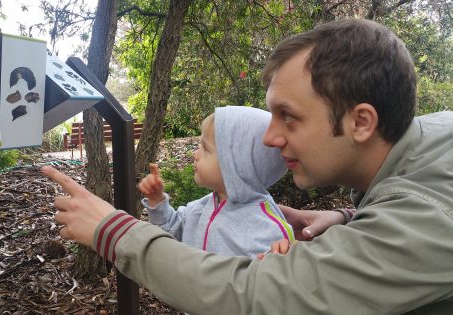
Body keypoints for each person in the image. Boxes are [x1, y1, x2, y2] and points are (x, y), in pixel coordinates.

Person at [43, 18, 453, 314]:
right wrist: (352, 216)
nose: (271, 139)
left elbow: (258, 294)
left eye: (288, 116)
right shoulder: (432, 139)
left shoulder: (427, 216)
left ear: (361, 122)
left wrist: (114, 232)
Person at [139, 106, 293, 258]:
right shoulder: (201, 208)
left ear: (236, 164)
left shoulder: (268, 232)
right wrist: (157, 201)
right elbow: (171, 230)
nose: (195, 153)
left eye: (205, 148)